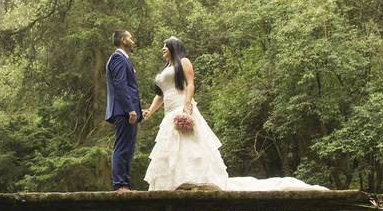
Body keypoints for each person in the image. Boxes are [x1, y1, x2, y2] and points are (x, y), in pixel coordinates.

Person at [142, 36, 326, 192]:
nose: (163, 48)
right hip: (169, 112)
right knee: (170, 148)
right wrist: (150, 111)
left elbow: (190, 84)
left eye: (166, 45)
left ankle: (192, 181)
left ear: (174, 48)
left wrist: (187, 106)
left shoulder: (183, 62)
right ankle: (173, 182)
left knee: (189, 147)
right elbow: (161, 94)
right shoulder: (165, 69)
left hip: (182, 107)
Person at [105, 30, 143, 191]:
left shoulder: (124, 59)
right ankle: (119, 184)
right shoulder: (117, 58)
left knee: (128, 148)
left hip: (127, 110)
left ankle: (125, 184)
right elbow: (120, 85)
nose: (132, 41)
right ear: (122, 40)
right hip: (123, 111)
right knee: (122, 147)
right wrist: (130, 109)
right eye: (130, 38)